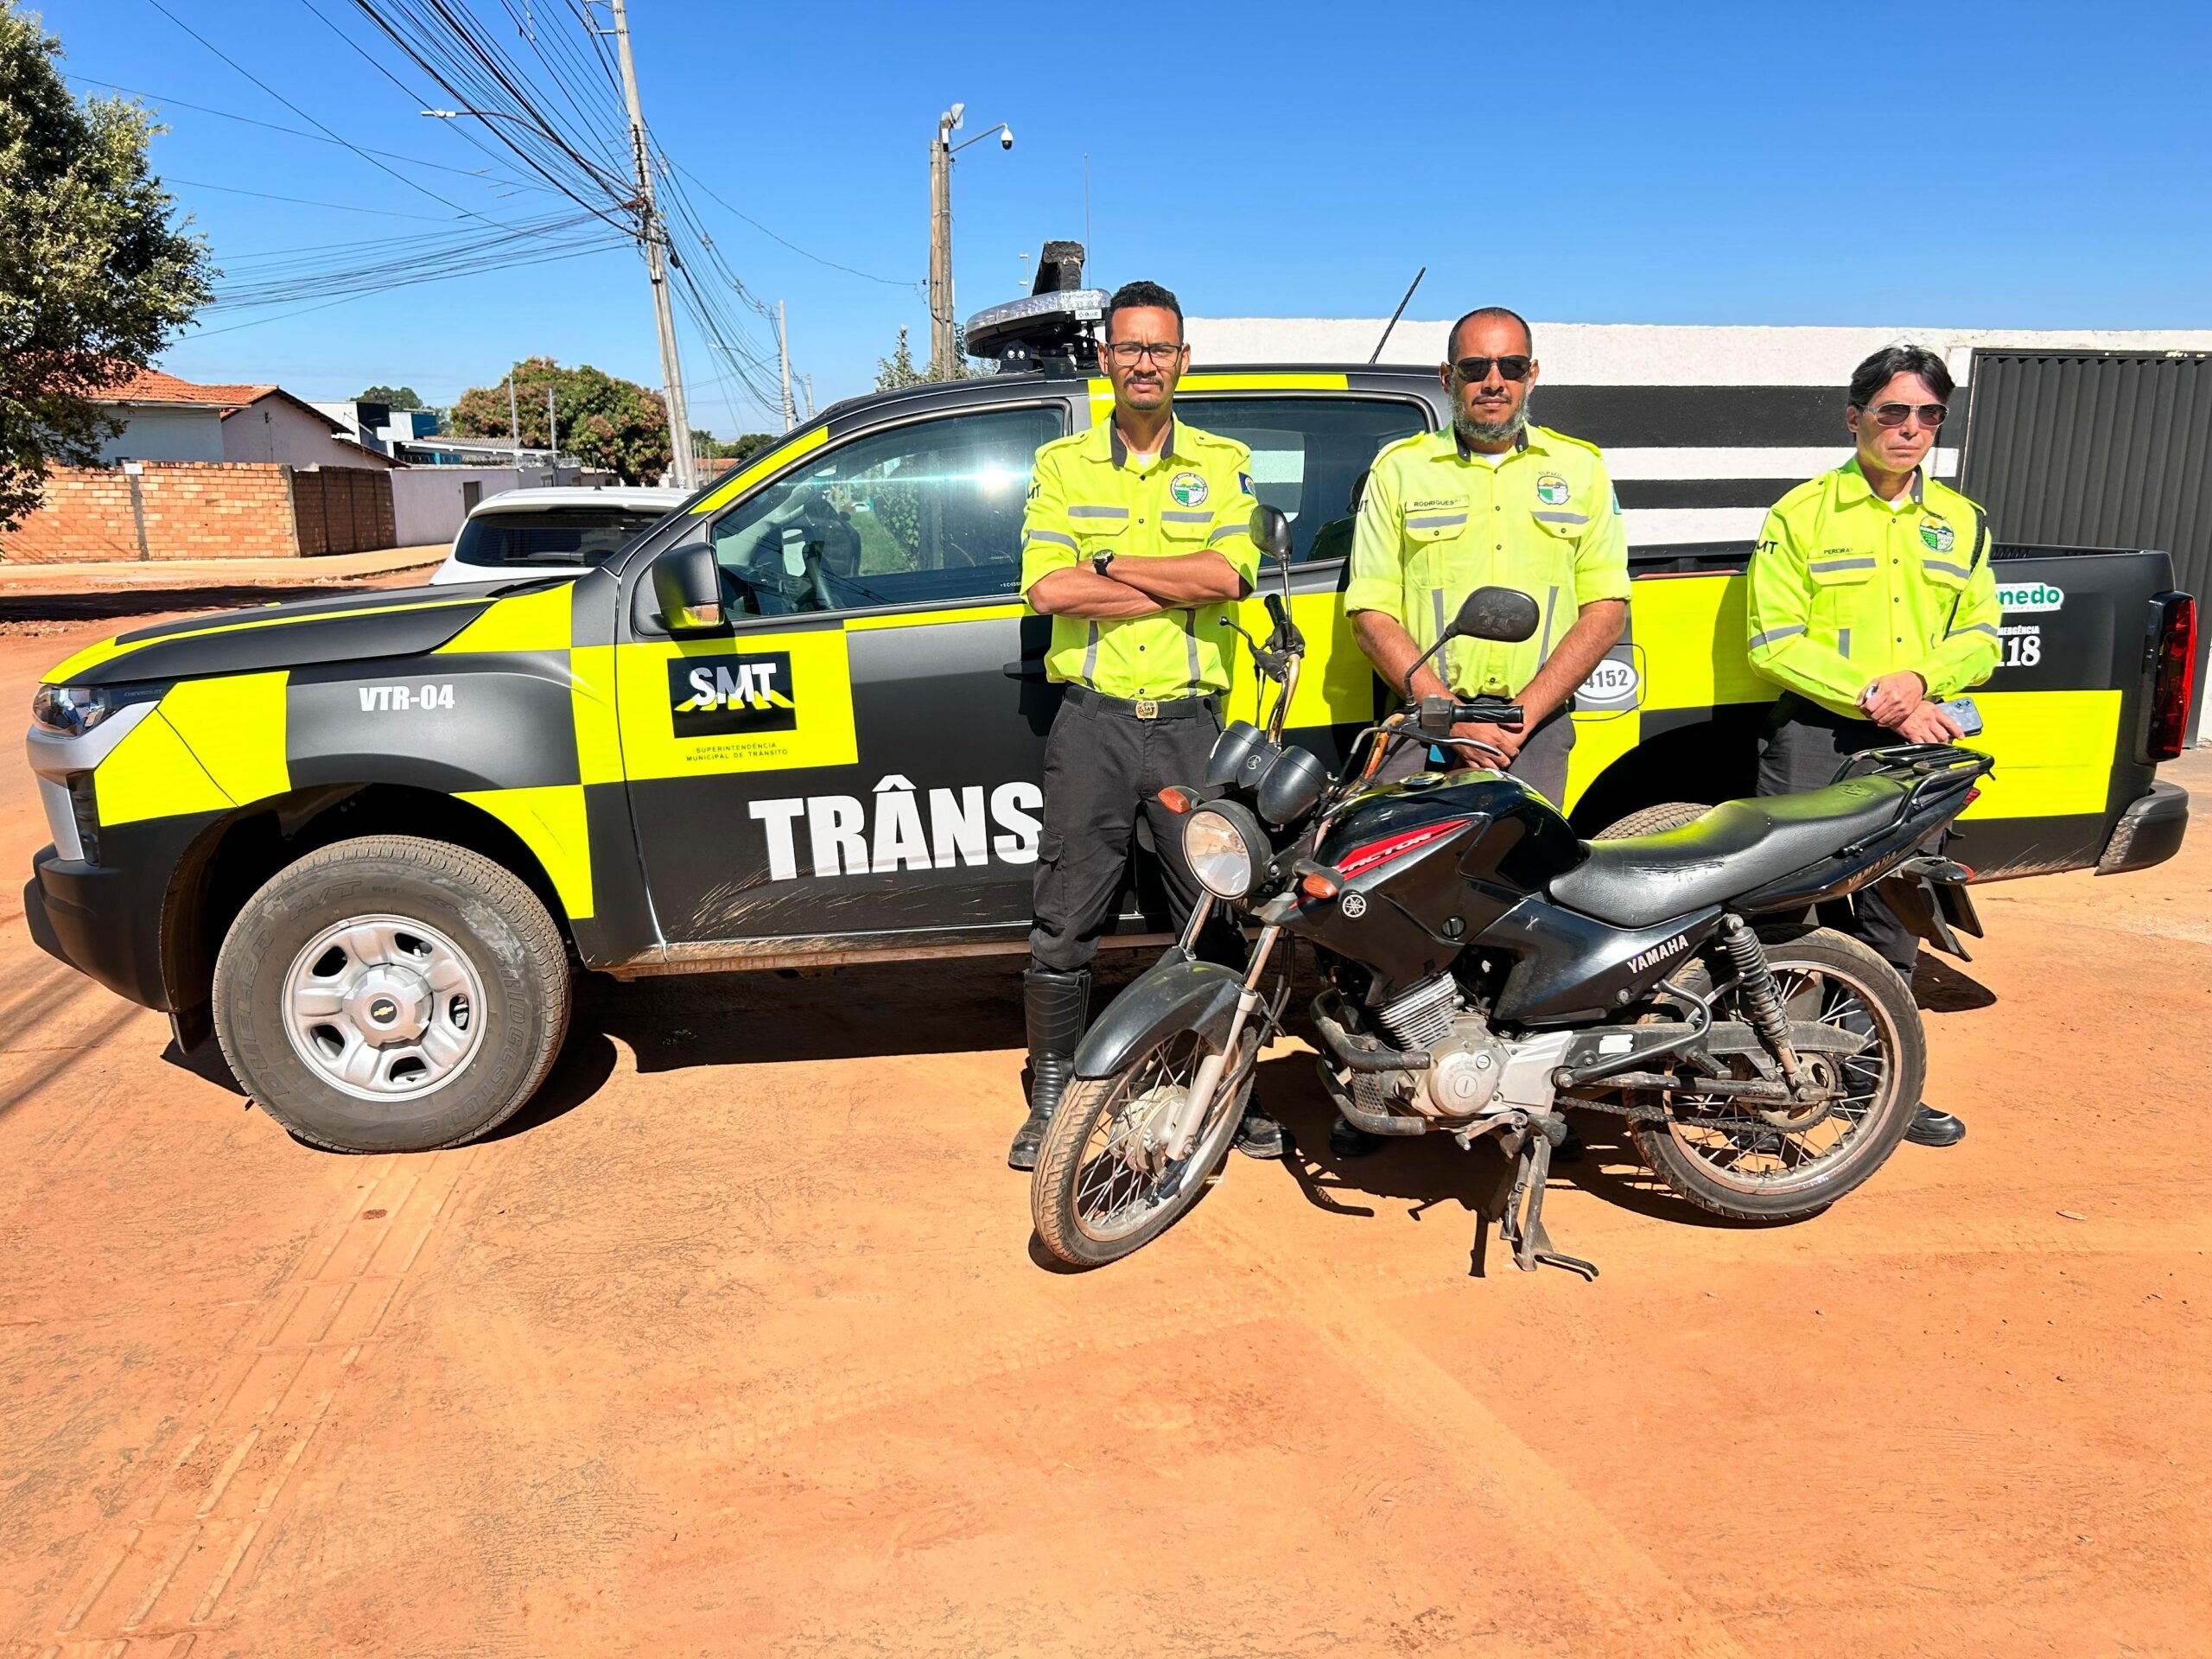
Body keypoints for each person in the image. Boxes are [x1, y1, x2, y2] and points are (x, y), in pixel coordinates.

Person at [1334, 304, 1630, 1157]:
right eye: (1474, 368)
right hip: (1420, 722)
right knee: (1381, 910)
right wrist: (1443, 711)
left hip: (1527, 729)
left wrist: (1524, 712)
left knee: (1525, 912)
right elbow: (1370, 607)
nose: (1491, 382)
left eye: (1508, 367)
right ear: (1447, 378)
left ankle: (1524, 1092)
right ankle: (1379, 1091)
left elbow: (1605, 607)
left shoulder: (1579, 470)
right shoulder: (1401, 469)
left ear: (1532, 375)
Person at [1008, 280, 1287, 1171]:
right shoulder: (1062, 468)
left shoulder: (1223, 459)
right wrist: (1171, 578)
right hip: (1089, 727)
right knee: (1064, 917)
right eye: (1128, 348)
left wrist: (1109, 563)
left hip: (1190, 730)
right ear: (1106, 358)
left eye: (1158, 349)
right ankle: (1051, 1090)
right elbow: (1047, 589)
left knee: (1212, 916)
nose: (1142, 364)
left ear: (1182, 361)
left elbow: (1230, 578)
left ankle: (1224, 1090)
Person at [1745, 344, 2002, 1149]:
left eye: (1928, 414)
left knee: (1894, 915)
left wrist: (1921, 679)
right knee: (1787, 908)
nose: (1911, 429)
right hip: (1821, 736)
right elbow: (1773, 640)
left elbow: (1984, 635)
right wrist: (1878, 698)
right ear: (1854, 415)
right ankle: (1769, 1078)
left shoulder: (1962, 523)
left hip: (1921, 738)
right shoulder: (1801, 514)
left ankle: (1870, 1076)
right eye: (1893, 411)